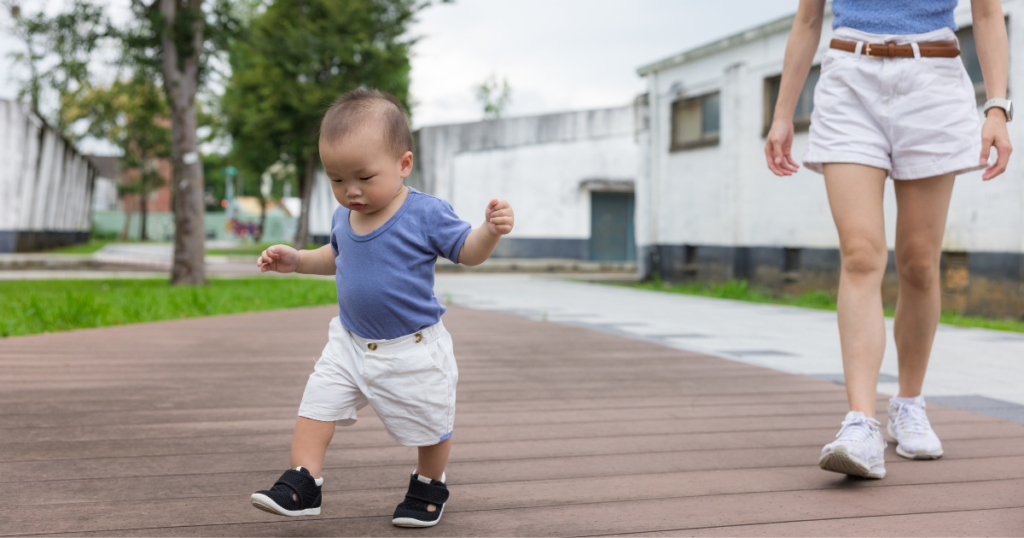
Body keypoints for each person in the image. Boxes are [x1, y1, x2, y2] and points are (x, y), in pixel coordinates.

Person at [765, 0, 1012, 479]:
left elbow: (986, 14)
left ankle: (909, 403)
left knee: (919, 262)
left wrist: (997, 108)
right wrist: (782, 114)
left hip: (933, 80)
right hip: (849, 77)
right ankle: (860, 423)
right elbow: (808, 18)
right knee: (860, 254)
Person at [249, 89, 515, 526]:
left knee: (431, 420)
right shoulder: (344, 216)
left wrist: (489, 231)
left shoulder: (426, 213)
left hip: (412, 348)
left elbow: (467, 252)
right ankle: (303, 482)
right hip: (349, 342)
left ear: (403, 164)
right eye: (336, 180)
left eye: (364, 178)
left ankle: (429, 483)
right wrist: (297, 261)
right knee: (317, 403)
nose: (350, 191)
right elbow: (337, 257)